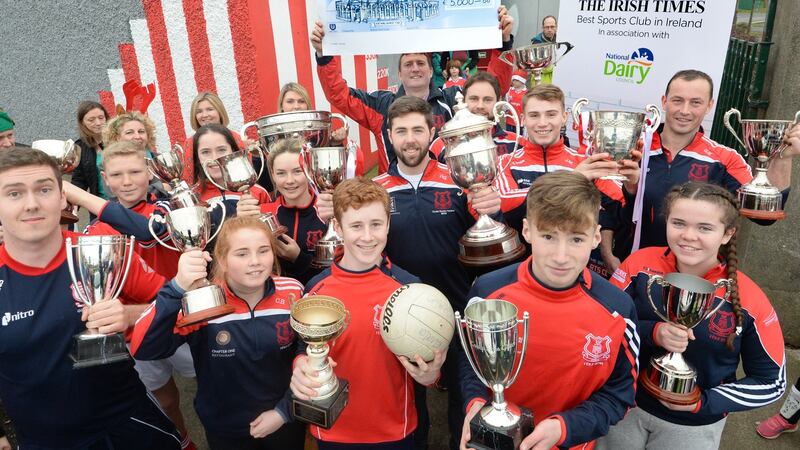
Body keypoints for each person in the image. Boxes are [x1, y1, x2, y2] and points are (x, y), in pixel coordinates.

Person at [0, 147, 181, 448]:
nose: (32, 204)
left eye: (44, 189)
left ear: (62, 198)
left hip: (131, 424)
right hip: (46, 439)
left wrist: (131, 315)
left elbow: (179, 306)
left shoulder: (105, 251)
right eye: (14, 193)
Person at [458, 171, 639, 450]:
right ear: (527, 230)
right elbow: (469, 360)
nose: (561, 256)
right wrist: (476, 404)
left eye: (576, 239)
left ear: (595, 237)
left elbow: (620, 395)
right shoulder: (488, 292)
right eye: (548, 236)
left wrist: (565, 427)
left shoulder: (618, 309)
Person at [599, 182, 786, 449]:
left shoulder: (748, 297)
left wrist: (703, 403)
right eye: (678, 223)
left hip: (692, 429)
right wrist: (653, 332)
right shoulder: (638, 265)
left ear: (727, 233)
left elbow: (772, 382)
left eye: (705, 228)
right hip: (623, 407)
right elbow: (601, 325)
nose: (688, 235)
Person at [373, 96, 501, 449]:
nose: (410, 139)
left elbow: (489, 239)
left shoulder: (459, 179)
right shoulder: (379, 190)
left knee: (465, 400)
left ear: (432, 133)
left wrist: (493, 210)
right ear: (390, 135)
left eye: (418, 129)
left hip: (459, 308)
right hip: (401, 317)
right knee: (410, 405)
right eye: (401, 131)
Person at [291, 177, 445, 449]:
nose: (367, 236)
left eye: (376, 224)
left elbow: (430, 364)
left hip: (395, 431)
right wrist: (300, 367)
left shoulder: (411, 289)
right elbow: (303, 348)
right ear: (337, 227)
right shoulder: (316, 290)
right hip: (333, 430)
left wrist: (430, 375)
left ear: (387, 224)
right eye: (356, 226)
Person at [62, 140, 196, 448]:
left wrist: (81, 196)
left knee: (214, 380)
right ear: (104, 178)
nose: (127, 181)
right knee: (164, 399)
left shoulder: (167, 206)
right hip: (136, 327)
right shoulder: (94, 230)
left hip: (184, 316)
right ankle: (185, 442)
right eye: (117, 174)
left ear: (149, 172)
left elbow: (150, 231)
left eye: (135, 171)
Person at [131, 215, 306, 449]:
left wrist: (283, 413)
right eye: (242, 253)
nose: (255, 261)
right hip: (224, 425)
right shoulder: (202, 302)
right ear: (222, 260)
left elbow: (309, 355)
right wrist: (175, 288)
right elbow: (144, 348)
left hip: (284, 420)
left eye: (263, 250)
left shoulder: (293, 292)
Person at [606, 69, 800, 270]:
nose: (685, 110)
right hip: (629, 268)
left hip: (689, 276)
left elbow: (764, 215)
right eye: (677, 100)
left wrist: (783, 159)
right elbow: (608, 209)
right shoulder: (633, 148)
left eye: (696, 102)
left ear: (709, 105)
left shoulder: (725, 159)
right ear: (664, 101)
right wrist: (607, 254)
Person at [309, 6, 515, 172]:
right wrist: (324, 55)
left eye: (420, 63)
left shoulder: (453, 99)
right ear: (399, 74)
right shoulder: (381, 104)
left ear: (430, 70)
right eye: (408, 64)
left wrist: (503, 43)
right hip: (395, 200)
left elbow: (492, 87)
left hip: (448, 195)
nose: (415, 68)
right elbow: (340, 95)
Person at [495, 84, 634, 277]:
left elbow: (624, 210)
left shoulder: (584, 162)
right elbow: (508, 209)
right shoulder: (505, 162)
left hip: (574, 273)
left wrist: (633, 185)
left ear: (564, 117)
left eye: (551, 114)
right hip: (520, 273)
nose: (543, 123)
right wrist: (573, 180)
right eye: (534, 115)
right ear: (523, 119)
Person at [237, 138, 327, 285]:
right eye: (281, 173)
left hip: (321, 299)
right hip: (275, 301)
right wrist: (241, 224)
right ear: (272, 174)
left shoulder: (327, 212)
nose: (289, 180)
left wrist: (299, 258)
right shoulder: (262, 214)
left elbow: (340, 268)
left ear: (310, 171)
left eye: (297, 171)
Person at [429, 71, 525, 161]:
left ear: (498, 101)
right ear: (463, 100)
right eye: (474, 99)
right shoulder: (441, 145)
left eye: (487, 100)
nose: (480, 106)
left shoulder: (518, 143)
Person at [193, 123, 273, 213]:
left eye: (221, 150)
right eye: (205, 152)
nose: (214, 158)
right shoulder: (194, 198)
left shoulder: (258, 192)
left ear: (233, 151)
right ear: (197, 157)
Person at [181, 92, 248, 185]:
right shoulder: (190, 143)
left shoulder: (235, 137)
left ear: (220, 112)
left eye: (210, 109)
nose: (204, 115)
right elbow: (189, 178)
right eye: (199, 111)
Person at [71, 101, 110, 199]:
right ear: (82, 122)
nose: (98, 123)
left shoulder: (118, 138)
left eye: (101, 118)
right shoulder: (80, 146)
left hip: (127, 200)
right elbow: (79, 180)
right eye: (91, 120)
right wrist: (73, 202)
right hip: (101, 204)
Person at [529, 15, 558, 86]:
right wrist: (557, 68)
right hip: (540, 82)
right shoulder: (536, 42)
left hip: (555, 81)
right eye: (547, 27)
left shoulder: (560, 40)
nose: (549, 29)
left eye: (552, 27)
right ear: (542, 28)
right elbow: (537, 66)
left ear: (556, 27)